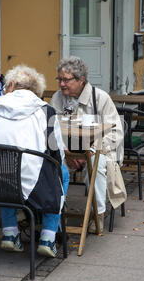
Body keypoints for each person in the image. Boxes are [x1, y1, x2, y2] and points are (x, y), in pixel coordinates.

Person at [0, 65, 70, 258]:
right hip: (34, 185)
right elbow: (56, 153)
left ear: (10, 85)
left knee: (3, 167)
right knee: (62, 172)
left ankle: (10, 234)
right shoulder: (46, 111)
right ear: (36, 90)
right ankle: (48, 237)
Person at [51, 56, 124, 233]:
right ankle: (53, 214)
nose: (61, 84)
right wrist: (66, 152)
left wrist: (90, 151)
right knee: (48, 164)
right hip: (67, 152)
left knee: (95, 165)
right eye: (59, 79)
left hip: (98, 150)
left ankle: (96, 214)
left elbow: (115, 133)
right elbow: (51, 130)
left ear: (81, 80)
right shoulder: (58, 98)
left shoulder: (100, 98)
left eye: (66, 80)